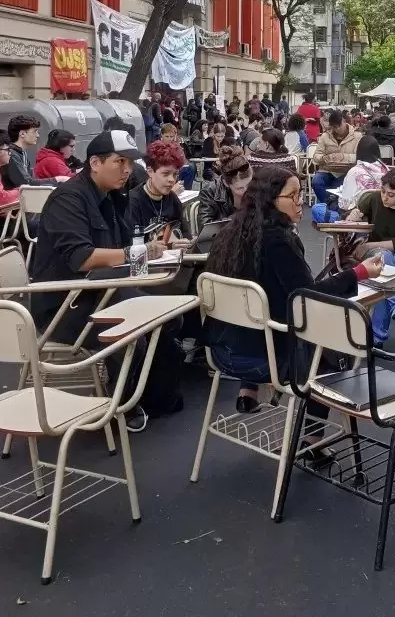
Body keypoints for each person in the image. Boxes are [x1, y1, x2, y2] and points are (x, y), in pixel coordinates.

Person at [205, 166, 384, 428]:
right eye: (294, 195)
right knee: (330, 346)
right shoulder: (278, 241)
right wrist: (358, 273)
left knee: (258, 309)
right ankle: (313, 441)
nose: (302, 202)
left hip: (222, 350)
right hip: (267, 358)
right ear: (271, 200)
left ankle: (248, 392)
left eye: (301, 194)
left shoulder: (229, 234)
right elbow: (307, 296)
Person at [30, 129, 183, 432]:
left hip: (101, 290)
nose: (127, 170)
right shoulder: (68, 198)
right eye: (120, 161)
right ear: (95, 163)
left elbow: (126, 243)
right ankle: (120, 405)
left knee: (169, 316)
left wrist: (152, 248)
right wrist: (136, 252)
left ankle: (154, 396)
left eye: (130, 162)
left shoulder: (113, 196)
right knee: (134, 329)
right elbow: (82, 258)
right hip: (65, 305)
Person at [346, 168, 395, 342]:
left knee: (382, 269)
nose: (384, 197)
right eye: (383, 191)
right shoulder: (373, 199)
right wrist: (353, 215)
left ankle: (377, 338)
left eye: (391, 194)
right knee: (384, 267)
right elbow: (349, 217)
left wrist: (368, 245)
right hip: (381, 256)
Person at [127, 139, 192, 239]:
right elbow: (131, 245)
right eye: (165, 174)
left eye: (175, 174)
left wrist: (185, 242)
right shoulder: (132, 202)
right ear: (150, 171)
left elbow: (186, 236)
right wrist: (169, 245)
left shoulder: (173, 200)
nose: (171, 180)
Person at [197, 146, 253, 231]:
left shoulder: (258, 185)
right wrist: (237, 218)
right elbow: (205, 228)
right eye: (240, 188)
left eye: (249, 184)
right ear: (226, 183)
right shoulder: (210, 191)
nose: (246, 190)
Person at [312, 109, 361, 202]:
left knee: (337, 185)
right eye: (334, 127)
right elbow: (316, 156)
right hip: (327, 170)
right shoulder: (325, 136)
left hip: (346, 171)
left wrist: (344, 157)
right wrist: (324, 158)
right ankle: (328, 205)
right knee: (316, 181)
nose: (337, 129)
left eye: (339, 126)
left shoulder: (357, 136)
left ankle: (330, 208)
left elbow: (359, 158)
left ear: (344, 121)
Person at [335, 135, 388, 210]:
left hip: (357, 214)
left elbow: (345, 204)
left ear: (358, 151)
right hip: (380, 212)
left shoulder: (354, 172)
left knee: (319, 209)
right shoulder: (386, 170)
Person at [1, 113, 46, 188]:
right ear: (22, 134)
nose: (38, 135)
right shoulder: (11, 154)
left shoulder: (21, 153)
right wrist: (56, 180)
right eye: (35, 131)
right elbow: (25, 182)